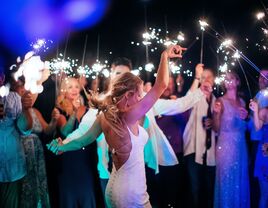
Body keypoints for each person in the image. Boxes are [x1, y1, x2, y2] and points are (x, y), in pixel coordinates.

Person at [47, 45, 185, 207]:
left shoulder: (105, 115)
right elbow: (161, 85)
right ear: (128, 95)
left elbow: (83, 140)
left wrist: (63, 146)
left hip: (117, 189)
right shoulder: (129, 115)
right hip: (130, 194)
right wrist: (164, 56)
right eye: (139, 94)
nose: (142, 98)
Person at [14, 76, 60, 208]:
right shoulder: (14, 112)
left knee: (38, 183)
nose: (23, 90)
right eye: (20, 88)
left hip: (37, 153)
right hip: (22, 152)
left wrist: (54, 120)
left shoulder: (35, 111)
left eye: (24, 87)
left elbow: (47, 131)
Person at [55, 77, 98, 208]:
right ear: (64, 91)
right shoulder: (59, 111)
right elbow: (65, 132)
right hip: (68, 160)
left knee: (87, 196)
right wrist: (74, 113)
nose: (74, 89)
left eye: (76, 86)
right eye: (70, 87)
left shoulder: (86, 110)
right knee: (70, 198)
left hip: (84, 160)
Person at [213, 72, 250, 208]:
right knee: (226, 180)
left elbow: (245, 128)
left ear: (237, 81)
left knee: (240, 179)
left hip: (241, 146)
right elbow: (216, 129)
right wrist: (216, 114)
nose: (228, 81)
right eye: (226, 79)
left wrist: (246, 117)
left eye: (231, 78)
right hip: (226, 146)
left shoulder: (243, 102)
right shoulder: (220, 101)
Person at [183, 67, 216, 208]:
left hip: (210, 149)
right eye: (203, 77)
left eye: (209, 77)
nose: (206, 80)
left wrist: (214, 122)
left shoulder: (216, 100)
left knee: (209, 187)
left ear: (214, 81)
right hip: (193, 148)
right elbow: (186, 100)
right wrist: (196, 77)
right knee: (195, 188)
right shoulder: (196, 96)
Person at [0, 71, 26, 208]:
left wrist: (25, 110)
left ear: (3, 78)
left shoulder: (14, 98)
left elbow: (24, 129)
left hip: (12, 166)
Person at [250, 92, 268, 208]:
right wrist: (255, 111)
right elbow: (257, 127)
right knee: (265, 194)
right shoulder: (265, 111)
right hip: (265, 155)